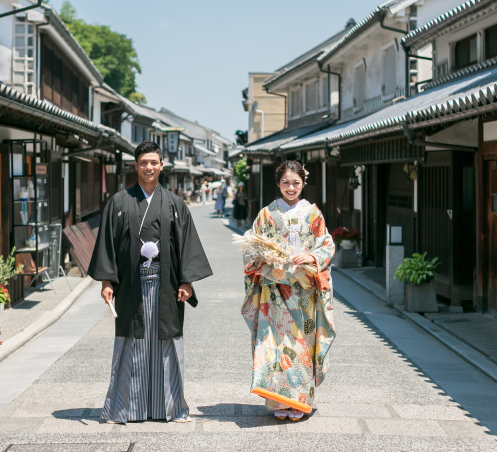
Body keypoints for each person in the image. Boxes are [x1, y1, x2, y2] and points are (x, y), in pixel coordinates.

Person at [90, 141, 214, 424]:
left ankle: (170, 408)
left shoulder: (174, 203)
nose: (148, 167)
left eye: (153, 163)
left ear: (161, 166)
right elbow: (108, 244)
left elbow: (187, 244)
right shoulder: (119, 202)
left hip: (166, 285)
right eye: (143, 162)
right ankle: (124, 408)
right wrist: (106, 281)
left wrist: (187, 281)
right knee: (131, 344)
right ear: (135, 165)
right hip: (130, 286)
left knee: (166, 343)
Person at [241, 161, 335, 422]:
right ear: (278, 183)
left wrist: (312, 257)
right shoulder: (267, 214)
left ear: (303, 183)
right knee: (275, 347)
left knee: (302, 344)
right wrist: (263, 259)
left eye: (296, 182)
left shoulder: (314, 214)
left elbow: (326, 244)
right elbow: (252, 246)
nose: (291, 187)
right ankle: (277, 400)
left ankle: (300, 401)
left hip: (304, 293)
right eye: (286, 182)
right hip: (274, 292)